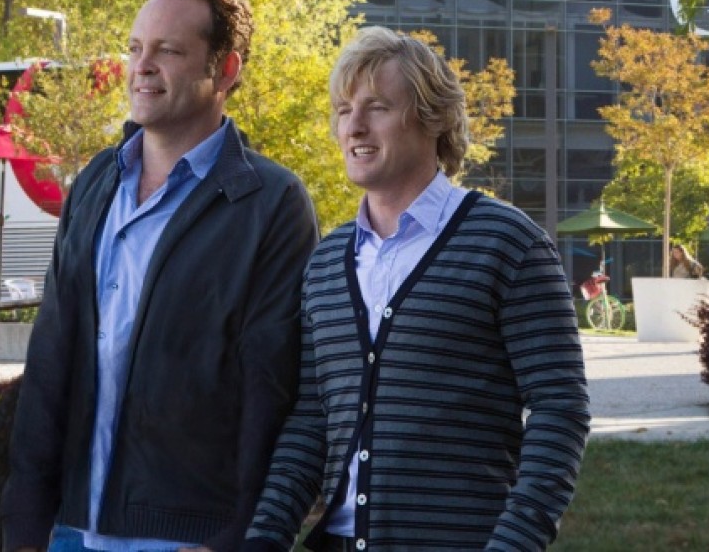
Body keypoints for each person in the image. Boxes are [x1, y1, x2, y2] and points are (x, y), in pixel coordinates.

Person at [0, 0, 320, 552]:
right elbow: (50, 357)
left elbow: (272, 390)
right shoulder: (95, 183)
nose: (141, 66)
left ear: (225, 70)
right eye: (135, 48)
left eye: (168, 51)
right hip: (67, 528)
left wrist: (236, 538)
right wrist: (24, 525)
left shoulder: (270, 203)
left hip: (187, 536)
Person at [244, 27, 591, 551]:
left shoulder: (507, 244)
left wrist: (515, 542)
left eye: (377, 107)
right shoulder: (325, 263)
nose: (354, 125)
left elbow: (560, 409)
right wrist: (265, 536)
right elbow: (313, 419)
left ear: (433, 118)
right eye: (343, 110)